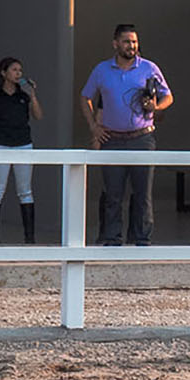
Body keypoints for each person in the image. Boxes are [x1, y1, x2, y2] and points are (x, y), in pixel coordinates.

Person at [78, 23, 172, 246]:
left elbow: (168, 96)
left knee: (143, 195)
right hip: (113, 139)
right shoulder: (102, 70)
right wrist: (94, 126)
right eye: (127, 41)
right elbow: (85, 98)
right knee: (113, 195)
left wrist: (156, 107)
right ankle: (112, 239)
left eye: (134, 41)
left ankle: (142, 240)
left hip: (142, 137)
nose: (132, 46)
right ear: (115, 43)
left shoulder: (149, 68)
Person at [0, 56, 44, 244]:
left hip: (23, 144)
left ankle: (29, 236)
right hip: (0, 144)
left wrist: (32, 95)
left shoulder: (23, 94)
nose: (18, 73)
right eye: (14, 70)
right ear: (4, 73)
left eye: (20, 70)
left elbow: (39, 116)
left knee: (25, 191)